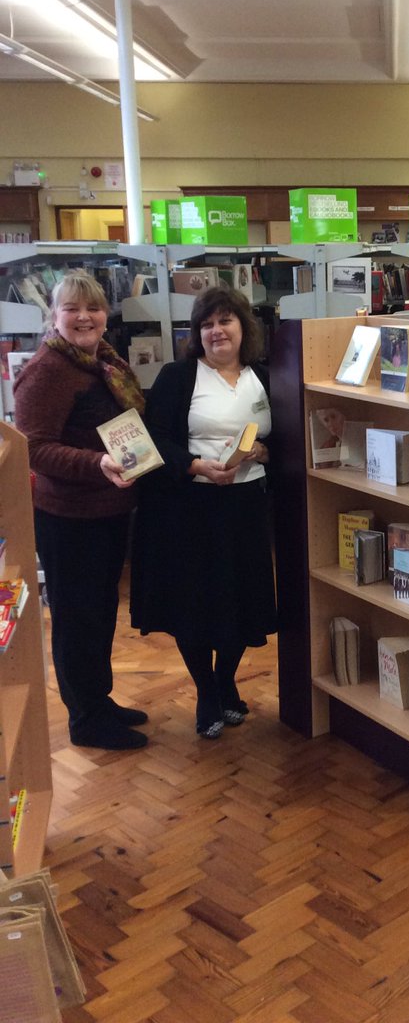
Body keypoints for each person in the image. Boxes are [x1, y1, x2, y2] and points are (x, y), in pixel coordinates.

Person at [130, 285, 277, 739]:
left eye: (225, 320)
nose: (217, 331)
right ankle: (206, 692)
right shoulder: (179, 376)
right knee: (195, 604)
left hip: (248, 507)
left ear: (242, 326)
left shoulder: (264, 377)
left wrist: (266, 453)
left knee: (240, 599)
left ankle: (227, 680)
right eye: (207, 323)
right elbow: (154, 438)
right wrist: (195, 465)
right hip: (191, 509)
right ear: (197, 333)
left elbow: (283, 436)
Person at [14, 272, 150, 750]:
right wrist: (99, 463)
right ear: (55, 316)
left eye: (92, 308)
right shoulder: (48, 369)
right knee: (76, 618)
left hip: (109, 509)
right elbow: (34, 449)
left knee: (99, 610)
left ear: (105, 316)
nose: (84, 317)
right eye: (72, 308)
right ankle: (86, 719)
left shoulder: (103, 361)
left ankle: (99, 700)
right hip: (70, 517)